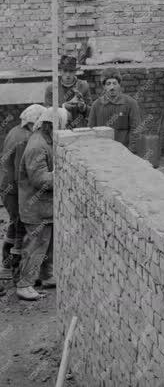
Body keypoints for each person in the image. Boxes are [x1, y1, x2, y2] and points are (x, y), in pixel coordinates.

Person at [16, 107, 66, 300]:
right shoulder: (38, 145)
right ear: (50, 125)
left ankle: (46, 276)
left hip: (44, 207)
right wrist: (63, 173)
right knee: (35, 245)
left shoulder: (45, 140)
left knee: (47, 244)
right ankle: (25, 284)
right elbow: (41, 180)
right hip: (35, 208)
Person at [0, 104, 46, 283]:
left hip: (6, 185)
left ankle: (6, 265)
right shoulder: (26, 138)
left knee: (13, 223)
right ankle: (16, 270)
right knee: (20, 227)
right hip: (15, 188)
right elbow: (23, 170)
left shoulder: (14, 131)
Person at [87, 69, 141, 152]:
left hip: (124, 150)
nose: (112, 87)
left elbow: (136, 129)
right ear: (104, 86)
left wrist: (131, 151)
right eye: (108, 84)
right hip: (102, 150)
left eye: (114, 83)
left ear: (119, 85)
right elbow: (91, 129)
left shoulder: (131, 103)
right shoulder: (96, 105)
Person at [44, 55, 92, 130]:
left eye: (71, 71)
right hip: (58, 129)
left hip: (79, 128)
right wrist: (63, 107)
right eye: (65, 71)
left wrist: (83, 107)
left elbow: (91, 112)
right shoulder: (51, 89)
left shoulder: (83, 86)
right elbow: (47, 112)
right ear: (60, 71)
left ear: (75, 72)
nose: (68, 75)